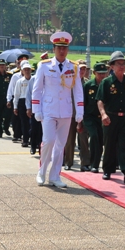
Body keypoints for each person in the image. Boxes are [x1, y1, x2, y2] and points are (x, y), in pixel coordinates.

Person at [31, 31, 84, 187]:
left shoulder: (73, 67)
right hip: (48, 108)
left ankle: (55, 176)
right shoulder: (44, 65)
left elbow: (78, 91)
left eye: (65, 48)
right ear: (54, 48)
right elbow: (37, 89)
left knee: (61, 144)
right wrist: (36, 109)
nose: (62, 51)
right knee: (48, 141)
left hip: (66, 110)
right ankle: (42, 171)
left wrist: (79, 111)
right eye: (59, 47)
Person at [96, 51, 125, 184]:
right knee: (109, 144)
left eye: (123, 64)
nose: (122, 66)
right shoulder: (106, 82)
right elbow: (100, 100)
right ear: (112, 66)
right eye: (119, 64)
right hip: (111, 117)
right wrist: (103, 114)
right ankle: (107, 170)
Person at [83, 62, 107, 173]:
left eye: (104, 73)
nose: (102, 76)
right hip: (89, 117)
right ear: (94, 73)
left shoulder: (107, 85)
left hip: (102, 118)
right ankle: (93, 164)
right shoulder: (88, 86)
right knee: (94, 137)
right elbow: (83, 103)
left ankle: (96, 163)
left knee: (101, 140)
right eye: (99, 73)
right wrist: (80, 120)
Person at [6, 53, 30, 143]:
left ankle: (26, 137)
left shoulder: (32, 77)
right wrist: (9, 100)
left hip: (30, 101)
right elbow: (11, 89)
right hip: (18, 99)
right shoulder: (15, 76)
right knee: (16, 120)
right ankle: (17, 135)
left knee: (26, 121)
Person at [11, 61, 32, 148]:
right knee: (24, 122)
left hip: (32, 102)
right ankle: (25, 140)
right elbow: (16, 95)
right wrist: (15, 107)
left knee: (32, 123)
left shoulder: (34, 80)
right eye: (25, 70)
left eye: (28, 69)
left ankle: (33, 139)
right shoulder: (19, 81)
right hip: (22, 102)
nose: (27, 71)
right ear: (22, 71)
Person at [25, 62, 41, 156]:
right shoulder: (33, 79)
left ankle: (41, 147)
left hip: (45, 109)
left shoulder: (48, 79)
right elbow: (28, 94)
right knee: (34, 128)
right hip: (35, 108)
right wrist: (28, 108)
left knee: (43, 130)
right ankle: (33, 146)